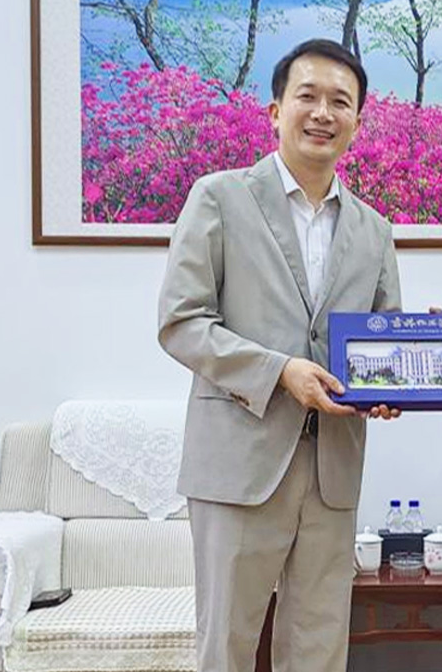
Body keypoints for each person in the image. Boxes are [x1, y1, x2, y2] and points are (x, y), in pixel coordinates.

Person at [158, 38, 401, 672]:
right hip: (240, 464)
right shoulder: (218, 197)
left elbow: (381, 335)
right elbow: (181, 323)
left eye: (340, 102)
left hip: (334, 470)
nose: (323, 113)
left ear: (357, 122)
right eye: (308, 96)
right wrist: (279, 371)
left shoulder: (375, 229)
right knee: (226, 649)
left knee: (319, 649)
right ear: (275, 111)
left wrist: (397, 378)